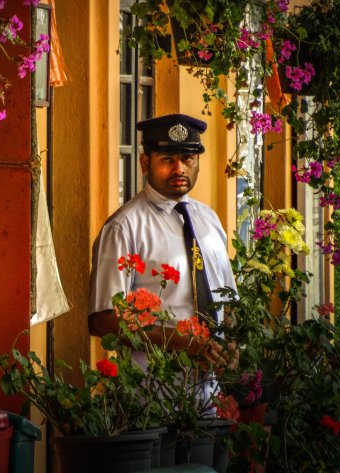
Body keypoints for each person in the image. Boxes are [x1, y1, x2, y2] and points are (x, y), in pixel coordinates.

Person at [88, 113, 238, 370]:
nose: (179, 169)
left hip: (211, 391)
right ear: (145, 163)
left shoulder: (209, 220)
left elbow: (228, 301)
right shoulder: (125, 227)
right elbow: (103, 320)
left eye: (187, 159)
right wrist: (184, 344)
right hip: (153, 392)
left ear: (198, 162)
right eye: (167, 159)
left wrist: (233, 347)